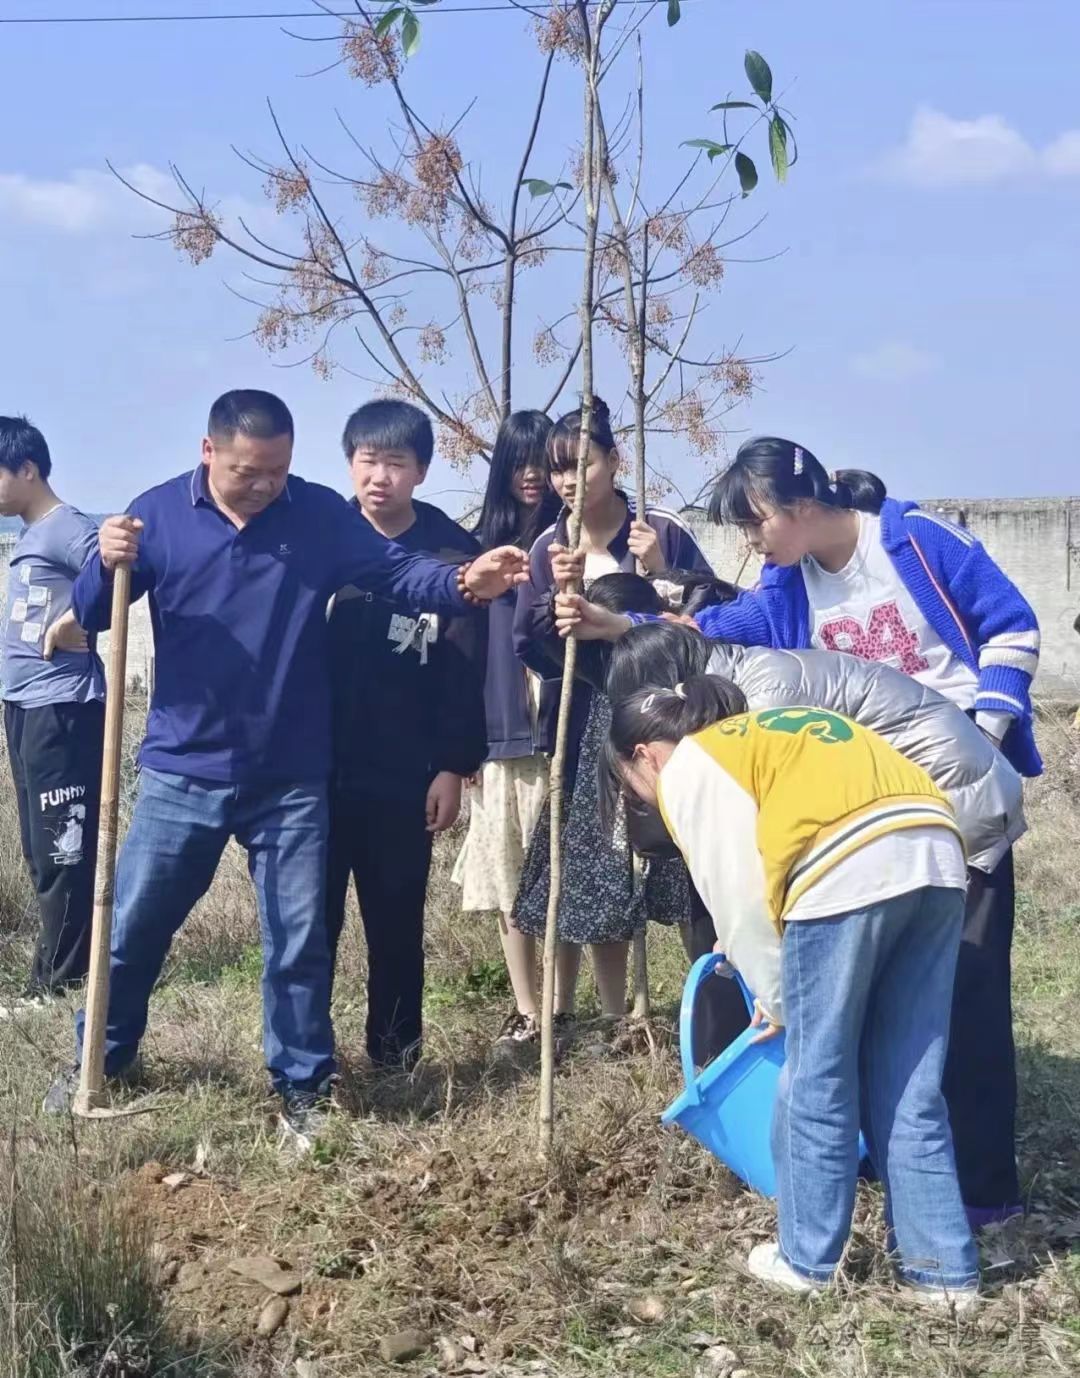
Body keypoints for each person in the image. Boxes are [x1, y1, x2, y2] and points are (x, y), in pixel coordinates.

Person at [561, 436, 1038, 1226]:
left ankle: (985, 1188)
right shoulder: (787, 586)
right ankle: (907, 1173)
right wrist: (619, 619)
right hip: (874, 799)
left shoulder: (913, 541)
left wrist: (985, 730)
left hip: (954, 790)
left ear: (803, 506)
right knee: (901, 1006)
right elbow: (707, 625)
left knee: (967, 997)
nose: (751, 545)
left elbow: (1013, 627)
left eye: (754, 526)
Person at [41, 389, 528, 1147]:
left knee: (298, 938)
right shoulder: (158, 514)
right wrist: (106, 564)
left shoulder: (316, 517)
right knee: (134, 927)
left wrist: (467, 582)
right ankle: (98, 1061)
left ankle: (303, 1085)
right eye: (247, 470)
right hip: (182, 771)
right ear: (209, 453)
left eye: (277, 469)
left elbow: (401, 573)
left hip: (292, 777)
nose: (264, 484)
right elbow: (98, 610)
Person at [604, 675, 979, 1306]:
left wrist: (777, 1001)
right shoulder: (768, 731)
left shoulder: (692, 764)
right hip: (935, 853)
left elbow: (741, 897)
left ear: (646, 755)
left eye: (631, 784)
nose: (644, 797)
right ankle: (941, 1274)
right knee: (911, 1081)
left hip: (842, 867)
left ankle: (806, 1260)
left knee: (817, 1075)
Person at [511, 396, 712, 1019]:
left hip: (664, 720)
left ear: (616, 461)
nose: (569, 481)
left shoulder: (660, 529)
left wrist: (662, 571)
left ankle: (714, 1000)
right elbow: (531, 646)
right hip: (583, 725)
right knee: (598, 865)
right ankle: (614, 1015)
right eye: (559, 468)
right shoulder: (551, 543)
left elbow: (705, 622)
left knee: (685, 865)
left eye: (584, 464)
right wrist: (557, 607)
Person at [325, 399, 487, 1072]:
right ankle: (306, 1059)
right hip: (318, 769)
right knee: (309, 926)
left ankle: (395, 1057)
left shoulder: (455, 557)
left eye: (396, 463)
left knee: (396, 925)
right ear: (350, 463)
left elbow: (466, 671)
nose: (380, 477)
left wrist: (452, 766)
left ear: (421, 470)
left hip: (406, 773)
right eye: (368, 461)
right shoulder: (321, 541)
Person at [451, 411, 563, 1044]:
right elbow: (461, 653)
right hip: (498, 739)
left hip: (560, 733)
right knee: (507, 882)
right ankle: (528, 1010)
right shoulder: (477, 552)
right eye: (518, 461)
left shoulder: (570, 544)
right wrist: (463, 741)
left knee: (564, 881)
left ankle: (565, 1007)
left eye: (542, 461)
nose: (530, 475)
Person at [0, 416, 104, 1017]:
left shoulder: (68, 528)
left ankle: (63, 986)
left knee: (65, 847)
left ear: (29, 470)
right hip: (26, 706)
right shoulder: (30, 532)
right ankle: (51, 971)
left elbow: (117, 576)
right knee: (41, 849)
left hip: (63, 709)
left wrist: (77, 624)